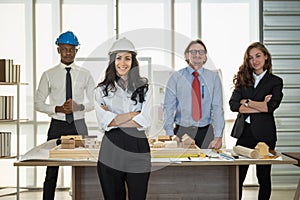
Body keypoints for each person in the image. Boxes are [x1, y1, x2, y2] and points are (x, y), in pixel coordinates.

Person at [35, 31, 95, 200]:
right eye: (64, 49)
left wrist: (79, 106)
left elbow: (95, 102)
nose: (68, 52)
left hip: (79, 124)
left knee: (84, 167)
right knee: (52, 169)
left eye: (71, 49)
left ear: (76, 50)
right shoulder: (48, 74)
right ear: (58, 50)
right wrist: (58, 109)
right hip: (57, 124)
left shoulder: (85, 74)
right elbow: (38, 103)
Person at [95, 37, 152, 200]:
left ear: (133, 61)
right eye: (118, 58)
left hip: (138, 147)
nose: (123, 63)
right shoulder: (101, 91)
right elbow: (104, 122)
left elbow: (145, 120)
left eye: (127, 58)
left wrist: (113, 118)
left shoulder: (145, 89)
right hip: (111, 149)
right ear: (113, 61)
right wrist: (133, 115)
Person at [229, 42, 283, 200]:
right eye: (251, 58)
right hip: (244, 133)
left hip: (265, 135)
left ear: (265, 56)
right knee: (238, 177)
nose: (255, 61)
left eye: (258, 56)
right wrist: (260, 104)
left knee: (264, 177)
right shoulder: (243, 79)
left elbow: (271, 107)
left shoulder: (275, 81)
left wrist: (246, 102)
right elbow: (233, 105)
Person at [163, 39, 224, 149]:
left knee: (209, 165)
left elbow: (217, 108)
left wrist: (218, 137)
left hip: (206, 132)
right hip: (181, 132)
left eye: (201, 52)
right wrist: (170, 134)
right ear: (186, 55)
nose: (197, 55)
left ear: (205, 56)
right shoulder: (175, 78)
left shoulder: (213, 78)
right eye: (193, 52)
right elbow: (168, 108)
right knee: (183, 165)